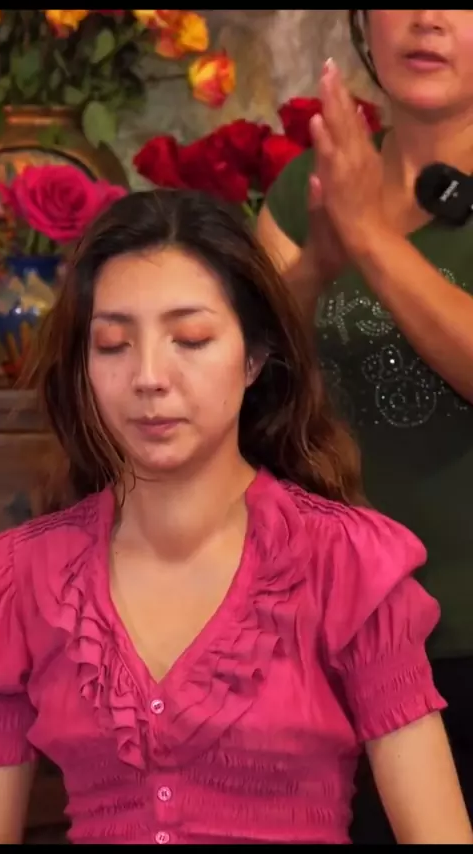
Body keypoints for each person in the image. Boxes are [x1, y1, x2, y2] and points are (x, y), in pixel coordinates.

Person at [0, 190, 471, 846]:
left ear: (254, 357)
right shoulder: (19, 577)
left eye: (190, 339)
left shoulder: (348, 564)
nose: (149, 377)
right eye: (112, 344)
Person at [257, 8, 473, 843]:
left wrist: (370, 238)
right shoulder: (310, 186)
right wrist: (317, 262)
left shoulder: (355, 208)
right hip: (333, 640)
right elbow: (239, 383)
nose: (426, 20)